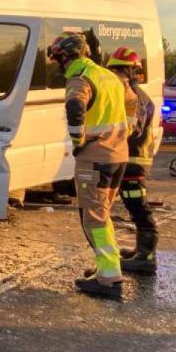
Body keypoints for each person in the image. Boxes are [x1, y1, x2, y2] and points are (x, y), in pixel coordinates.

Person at [48, 33, 129, 300]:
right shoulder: (109, 76)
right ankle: (107, 267)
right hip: (118, 155)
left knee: (93, 216)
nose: (57, 64)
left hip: (94, 157)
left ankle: (109, 277)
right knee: (103, 213)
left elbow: (75, 107)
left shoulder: (79, 78)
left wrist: (78, 139)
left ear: (66, 56)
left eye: (58, 58)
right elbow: (131, 106)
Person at [106, 46, 158, 273]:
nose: (114, 76)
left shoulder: (136, 97)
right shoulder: (134, 94)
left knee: (139, 208)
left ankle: (146, 257)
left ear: (129, 71)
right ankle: (141, 251)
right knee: (133, 205)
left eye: (118, 71)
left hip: (134, 161)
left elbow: (132, 130)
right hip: (130, 159)